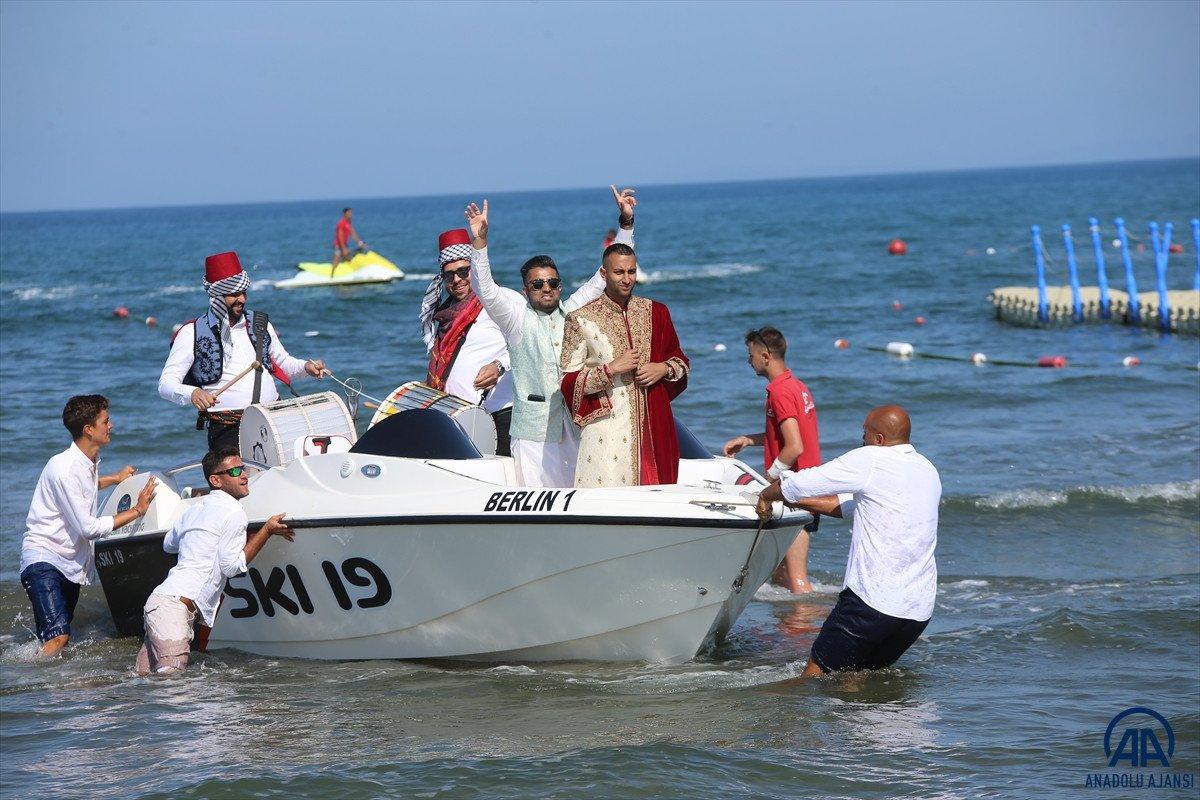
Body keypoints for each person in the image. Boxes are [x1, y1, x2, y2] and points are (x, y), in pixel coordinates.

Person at [463, 186, 636, 486]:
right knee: (540, 506)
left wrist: (626, 224)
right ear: (525, 291)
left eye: (552, 283)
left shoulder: (572, 313)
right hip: (532, 435)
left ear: (560, 286)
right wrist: (479, 242)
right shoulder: (516, 320)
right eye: (537, 284)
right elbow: (486, 290)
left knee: (579, 500)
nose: (546, 288)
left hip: (575, 426)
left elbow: (604, 275)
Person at [757, 405, 941, 676]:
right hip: (916, 612)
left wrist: (766, 494)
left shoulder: (872, 458)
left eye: (864, 433)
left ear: (879, 439)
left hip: (871, 603)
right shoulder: (927, 469)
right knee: (854, 678)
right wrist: (790, 499)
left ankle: (773, 716)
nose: (862, 438)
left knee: (813, 678)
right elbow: (847, 506)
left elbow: (802, 483)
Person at [135, 447, 294, 675]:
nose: (244, 474)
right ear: (216, 480)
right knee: (173, 686)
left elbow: (168, 544)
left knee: (143, 682)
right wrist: (266, 530)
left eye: (244, 468)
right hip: (174, 610)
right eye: (236, 470)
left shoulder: (194, 510)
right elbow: (232, 567)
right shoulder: (234, 512)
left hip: (160, 602)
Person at [20, 395, 158, 657]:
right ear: (88, 429)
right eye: (105, 421)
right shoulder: (65, 468)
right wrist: (137, 510)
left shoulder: (85, 463)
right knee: (59, 637)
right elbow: (88, 528)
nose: (111, 425)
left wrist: (115, 478)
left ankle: (47, 689)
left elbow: (83, 488)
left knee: (56, 641)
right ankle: (25, 681)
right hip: (44, 559)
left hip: (68, 564)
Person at [159, 251, 326, 451]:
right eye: (233, 294)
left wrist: (306, 367)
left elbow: (282, 363)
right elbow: (166, 384)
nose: (241, 299)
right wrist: (192, 393)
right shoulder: (191, 332)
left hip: (272, 419)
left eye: (244, 292)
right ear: (216, 296)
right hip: (227, 428)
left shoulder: (260, 323)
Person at [559, 237, 689, 487]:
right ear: (603, 273)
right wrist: (610, 369)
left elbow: (681, 363)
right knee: (605, 504)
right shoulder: (580, 319)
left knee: (658, 500)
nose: (627, 279)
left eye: (631, 271)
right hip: (605, 433)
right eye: (619, 272)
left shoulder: (657, 312)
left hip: (654, 426)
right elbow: (565, 382)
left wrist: (663, 368)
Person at [724, 326, 821, 593]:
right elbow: (788, 434)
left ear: (765, 356)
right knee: (779, 576)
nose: (749, 360)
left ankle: (804, 631)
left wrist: (768, 480)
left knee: (798, 582)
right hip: (802, 487)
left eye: (750, 354)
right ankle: (788, 630)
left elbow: (794, 447)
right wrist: (749, 439)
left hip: (795, 493)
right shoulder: (795, 386)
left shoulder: (780, 392)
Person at [420, 229, 514, 455]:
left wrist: (499, 366)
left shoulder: (504, 300)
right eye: (449, 275)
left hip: (498, 415)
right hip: (454, 417)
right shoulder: (443, 314)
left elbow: (530, 344)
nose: (457, 280)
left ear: (476, 268)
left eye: (463, 271)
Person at [331, 207, 366, 275]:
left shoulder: (348, 223)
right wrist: (343, 247)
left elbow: (353, 233)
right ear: (344, 214)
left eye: (351, 213)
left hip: (344, 244)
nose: (350, 214)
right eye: (349, 213)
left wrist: (360, 243)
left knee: (347, 257)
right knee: (337, 257)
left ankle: (346, 272)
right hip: (338, 244)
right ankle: (332, 275)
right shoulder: (341, 223)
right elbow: (339, 235)